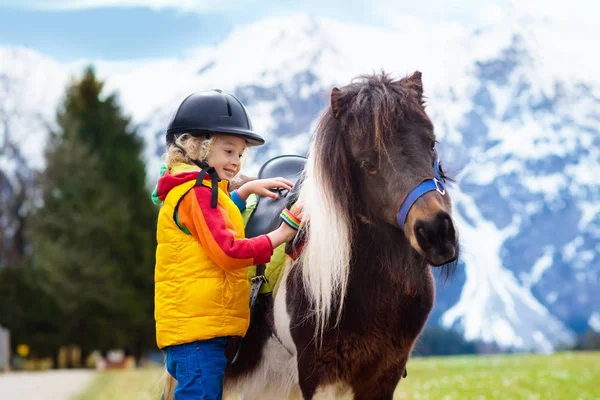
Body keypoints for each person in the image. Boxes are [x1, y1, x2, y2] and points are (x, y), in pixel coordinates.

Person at [152, 89, 303, 400]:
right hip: (199, 335)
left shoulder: (195, 190)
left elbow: (210, 224)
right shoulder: (196, 193)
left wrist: (244, 192)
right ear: (197, 146)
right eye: (228, 151)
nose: (236, 162)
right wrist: (282, 233)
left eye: (240, 154)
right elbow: (228, 251)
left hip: (197, 330)